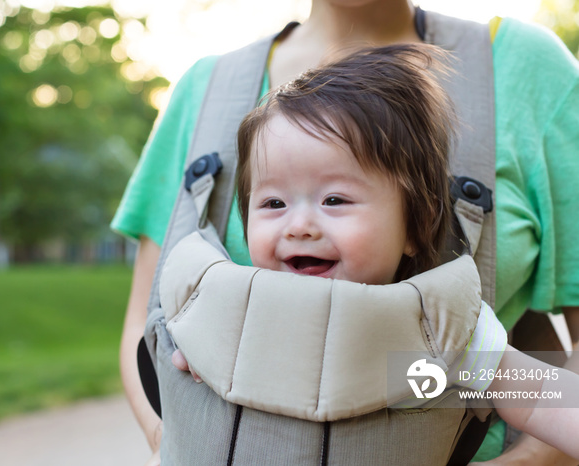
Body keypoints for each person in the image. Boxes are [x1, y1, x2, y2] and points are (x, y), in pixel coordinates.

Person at [112, 1, 579, 464]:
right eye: (273, 204)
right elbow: (159, 349)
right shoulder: (226, 313)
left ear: (418, 226)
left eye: (335, 201)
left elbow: (543, 398)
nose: (300, 226)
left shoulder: (438, 335)